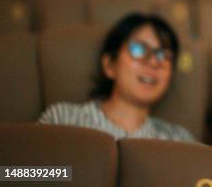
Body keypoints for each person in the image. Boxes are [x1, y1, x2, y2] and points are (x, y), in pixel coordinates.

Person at [39, 13, 195, 143]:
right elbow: (25, 174)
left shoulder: (179, 140)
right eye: (138, 49)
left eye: (163, 55)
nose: (154, 62)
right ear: (109, 65)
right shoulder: (62, 119)